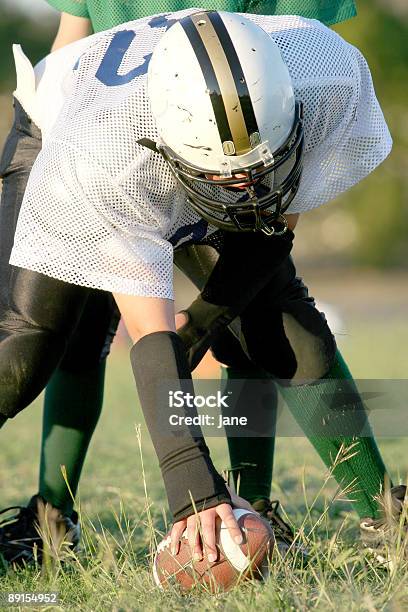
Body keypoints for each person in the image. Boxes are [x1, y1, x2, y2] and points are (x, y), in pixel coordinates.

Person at [1, 9, 404, 569]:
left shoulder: (325, 74)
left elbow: (266, 244)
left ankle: (388, 521)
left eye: (260, 167)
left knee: (273, 314)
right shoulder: (110, 157)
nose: (244, 188)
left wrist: (205, 324)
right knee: (30, 341)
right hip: (67, 125)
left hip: (196, 130)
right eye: (229, 180)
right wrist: (193, 487)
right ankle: (47, 524)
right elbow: (150, 328)